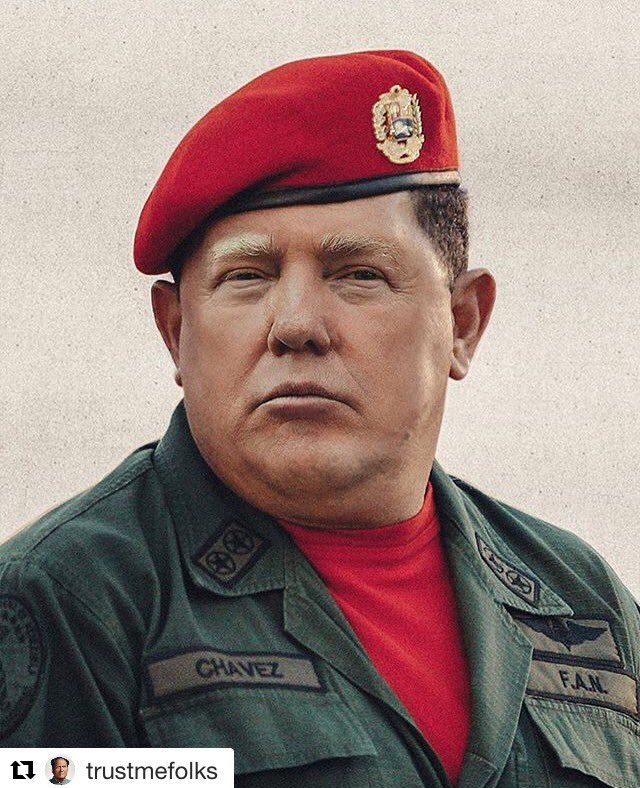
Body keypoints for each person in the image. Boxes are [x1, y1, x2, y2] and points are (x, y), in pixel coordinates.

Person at [0, 50, 638, 786]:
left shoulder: (583, 605)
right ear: (176, 332)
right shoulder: (74, 601)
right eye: (247, 277)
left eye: (359, 274)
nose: (297, 325)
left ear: (462, 322)